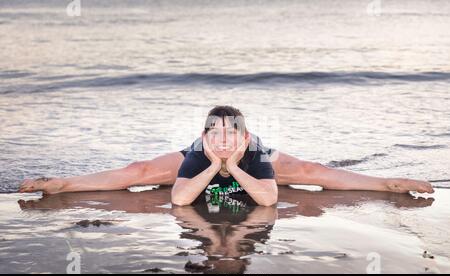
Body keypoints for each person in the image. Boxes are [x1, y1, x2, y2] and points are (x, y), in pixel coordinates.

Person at [19, 106, 434, 200]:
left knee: (308, 170)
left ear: (245, 135)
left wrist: (235, 161)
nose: (222, 139)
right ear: (202, 136)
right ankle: (63, 185)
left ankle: (389, 184)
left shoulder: (253, 149)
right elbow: (170, 191)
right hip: (198, 163)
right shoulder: (198, 150)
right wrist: (66, 184)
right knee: (140, 171)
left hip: (252, 163)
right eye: (213, 133)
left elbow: (276, 196)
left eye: (230, 133)